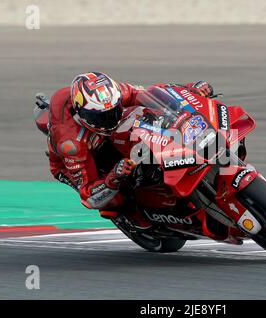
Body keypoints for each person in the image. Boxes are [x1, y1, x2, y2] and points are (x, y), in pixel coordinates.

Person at [35, 71, 213, 228]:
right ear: (82, 113)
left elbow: (150, 94)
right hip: (75, 161)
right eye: (101, 117)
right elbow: (88, 195)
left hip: (102, 138)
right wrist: (113, 176)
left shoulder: (114, 92)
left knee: (145, 115)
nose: (110, 120)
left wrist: (190, 91)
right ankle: (134, 218)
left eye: (113, 111)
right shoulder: (70, 143)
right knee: (113, 200)